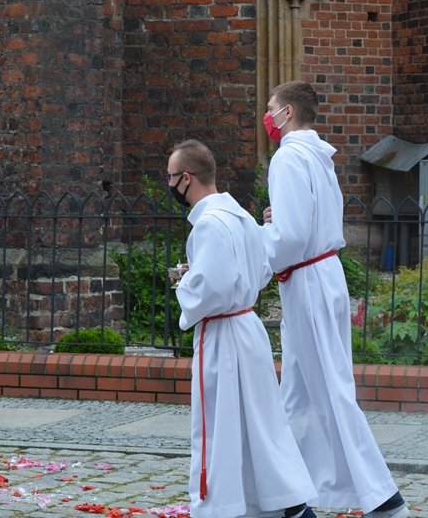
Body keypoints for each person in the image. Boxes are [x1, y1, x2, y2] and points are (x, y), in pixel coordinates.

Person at [260, 81, 410, 518]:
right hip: (321, 275)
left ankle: (383, 498)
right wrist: (278, 221)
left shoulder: (288, 157)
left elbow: (289, 237)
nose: (266, 116)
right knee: (298, 392)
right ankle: (289, 496)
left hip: (307, 279)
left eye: (271, 109)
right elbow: (308, 218)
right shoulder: (316, 156)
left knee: (329, 390)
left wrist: (261, 240)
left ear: (287, 112)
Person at [167, 139, 319, 518]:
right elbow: (261, 270)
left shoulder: (208, 224)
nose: (169, 184)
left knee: (220, 429)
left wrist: (183, 284)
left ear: (187, 178)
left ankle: (221, 506)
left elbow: (213, 289)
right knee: (260, 425)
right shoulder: (241, 216)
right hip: (248, 330)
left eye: (171, 177)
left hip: (223, 336)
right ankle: (279, 505)